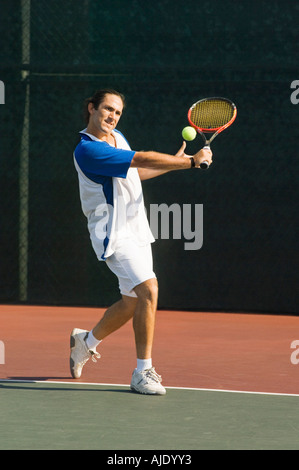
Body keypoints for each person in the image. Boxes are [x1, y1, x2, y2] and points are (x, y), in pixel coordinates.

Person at [70, 89, 212, 395]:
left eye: (118, 112)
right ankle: (142, 371)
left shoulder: (117, 136)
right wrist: (189, 163)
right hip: (113, 232)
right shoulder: (87, 150)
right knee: (149, 288)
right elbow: (140, 158)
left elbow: (135, 173)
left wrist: (174, 162)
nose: (112, 116)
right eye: (107, 109)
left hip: (137, 228)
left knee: (131, 302)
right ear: (91, 108)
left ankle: (86, 342)